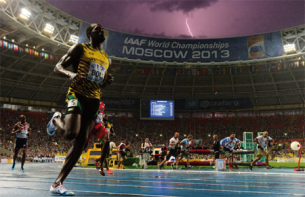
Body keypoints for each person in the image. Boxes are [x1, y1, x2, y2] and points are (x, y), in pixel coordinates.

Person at [47, 23, 114, 195]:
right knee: (70, 133)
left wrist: (105, 82)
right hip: (76, 95)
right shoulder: (80, 48)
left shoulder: (107, 58)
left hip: (93, 101)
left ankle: (57, 184)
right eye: (96, 29)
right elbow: (57, 67)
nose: (100, 30)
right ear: (89, 34)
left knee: (81, 144)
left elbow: (98, 82)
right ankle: (56, 118)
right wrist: (71, 74)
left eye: (102, 28)